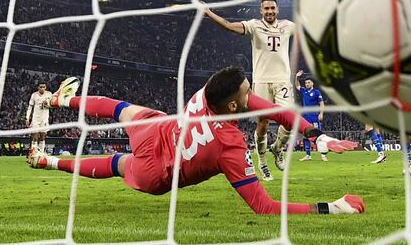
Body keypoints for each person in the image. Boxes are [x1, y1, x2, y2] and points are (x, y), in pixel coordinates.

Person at [27, 68, 364, 215]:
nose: (251, 98)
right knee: (117, 164)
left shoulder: (207, 93)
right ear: (232, 106)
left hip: (161, 130)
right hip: (156, 168)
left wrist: (314, 134)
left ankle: (61, 102)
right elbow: (264, 208)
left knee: (121, 109)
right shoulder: (230, 147)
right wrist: (330, 208)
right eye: (247, 93)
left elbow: (275, 110)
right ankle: (49, 159)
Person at [203, 0, 294, 181]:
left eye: (272, 8)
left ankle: (277, 148)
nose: (269, 11)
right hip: (261, 82)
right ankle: (262, 162)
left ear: (278, 10)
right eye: (266, 8)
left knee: (290, 121)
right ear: (261, 11)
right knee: (263, 123)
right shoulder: (254, 26)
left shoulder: (288, 25)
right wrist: (209, 13)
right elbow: (228, 26)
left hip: (283, 81)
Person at [295, 70, 327, 162]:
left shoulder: (317, 92)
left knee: (318, 136)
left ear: (312, 83)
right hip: (306, 117)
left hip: (315, 117)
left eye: (309, 82)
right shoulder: (304, 91)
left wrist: (321, 114)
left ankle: (323, 155)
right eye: (306, 83)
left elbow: (321, 104)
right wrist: (297, 77)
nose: (307, 84)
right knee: (306, 135)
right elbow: (297, 85)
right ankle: (308, 155)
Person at [25, 82, 52, 154]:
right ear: (38, 87)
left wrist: (47, 104)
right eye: (41, 87)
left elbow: (52, 105)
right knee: (35, 135)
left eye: (44, 87)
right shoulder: (34, 95)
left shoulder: (49, 94)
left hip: (44, 118)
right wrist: (27, 118)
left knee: (43, 136)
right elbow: (30, 107)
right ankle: (33, 153)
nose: (42, 88)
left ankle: (41, 153)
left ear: (45, 87)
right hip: (36, 118)